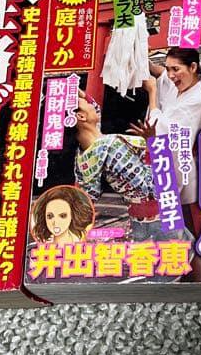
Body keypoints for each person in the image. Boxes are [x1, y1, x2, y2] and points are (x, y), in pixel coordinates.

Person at [72, 93, 188, 244]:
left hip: (142, 219)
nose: (92, 105)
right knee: (186, 252)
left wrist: (81, 95)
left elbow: (94, 109)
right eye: (86, 103)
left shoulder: (84, 154)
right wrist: (152, 144)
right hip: (160, 219)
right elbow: (149, 187)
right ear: (81, 116)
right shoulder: (112, 147)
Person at [130, 47, 201, 238]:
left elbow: (160, 129)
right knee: (175, 224)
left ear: (193, 67)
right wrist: (143, 59)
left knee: (186, 224)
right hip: (169, 160)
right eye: (168, 68)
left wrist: (152, 92)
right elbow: (161, 75)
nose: (171, 75)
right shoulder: (181, 81)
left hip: (183, 161)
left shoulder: (198, 97)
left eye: (175, 69)